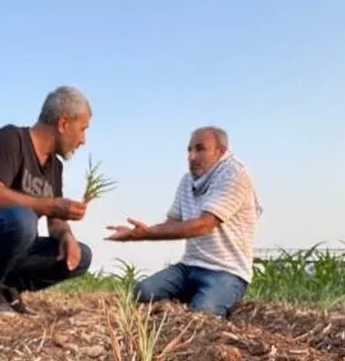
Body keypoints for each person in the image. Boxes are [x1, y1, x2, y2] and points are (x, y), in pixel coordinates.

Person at [0, 86, 95, 314]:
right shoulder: (11, 139)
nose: (83, 140)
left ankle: (7, 289)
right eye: (82, 129)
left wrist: (66, 236)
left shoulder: (55, 168)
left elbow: (55, 221)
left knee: (81, 255)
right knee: (22, 219)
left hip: (17, 244)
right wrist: (51, 205)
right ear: (63, 123)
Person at [106, 127, 261, 318]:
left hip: (226, 271)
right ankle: (190, 297)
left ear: (220, 151)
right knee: (142, 292)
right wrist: (135, 233)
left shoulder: (234, 175)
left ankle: (212, 299)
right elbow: (171, 223)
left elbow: (204, 225)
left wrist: (145, 234)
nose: (191, 157)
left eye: (200, 149)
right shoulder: (187, 181)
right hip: (189, 266)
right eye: (189, 150)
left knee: (200, 316)